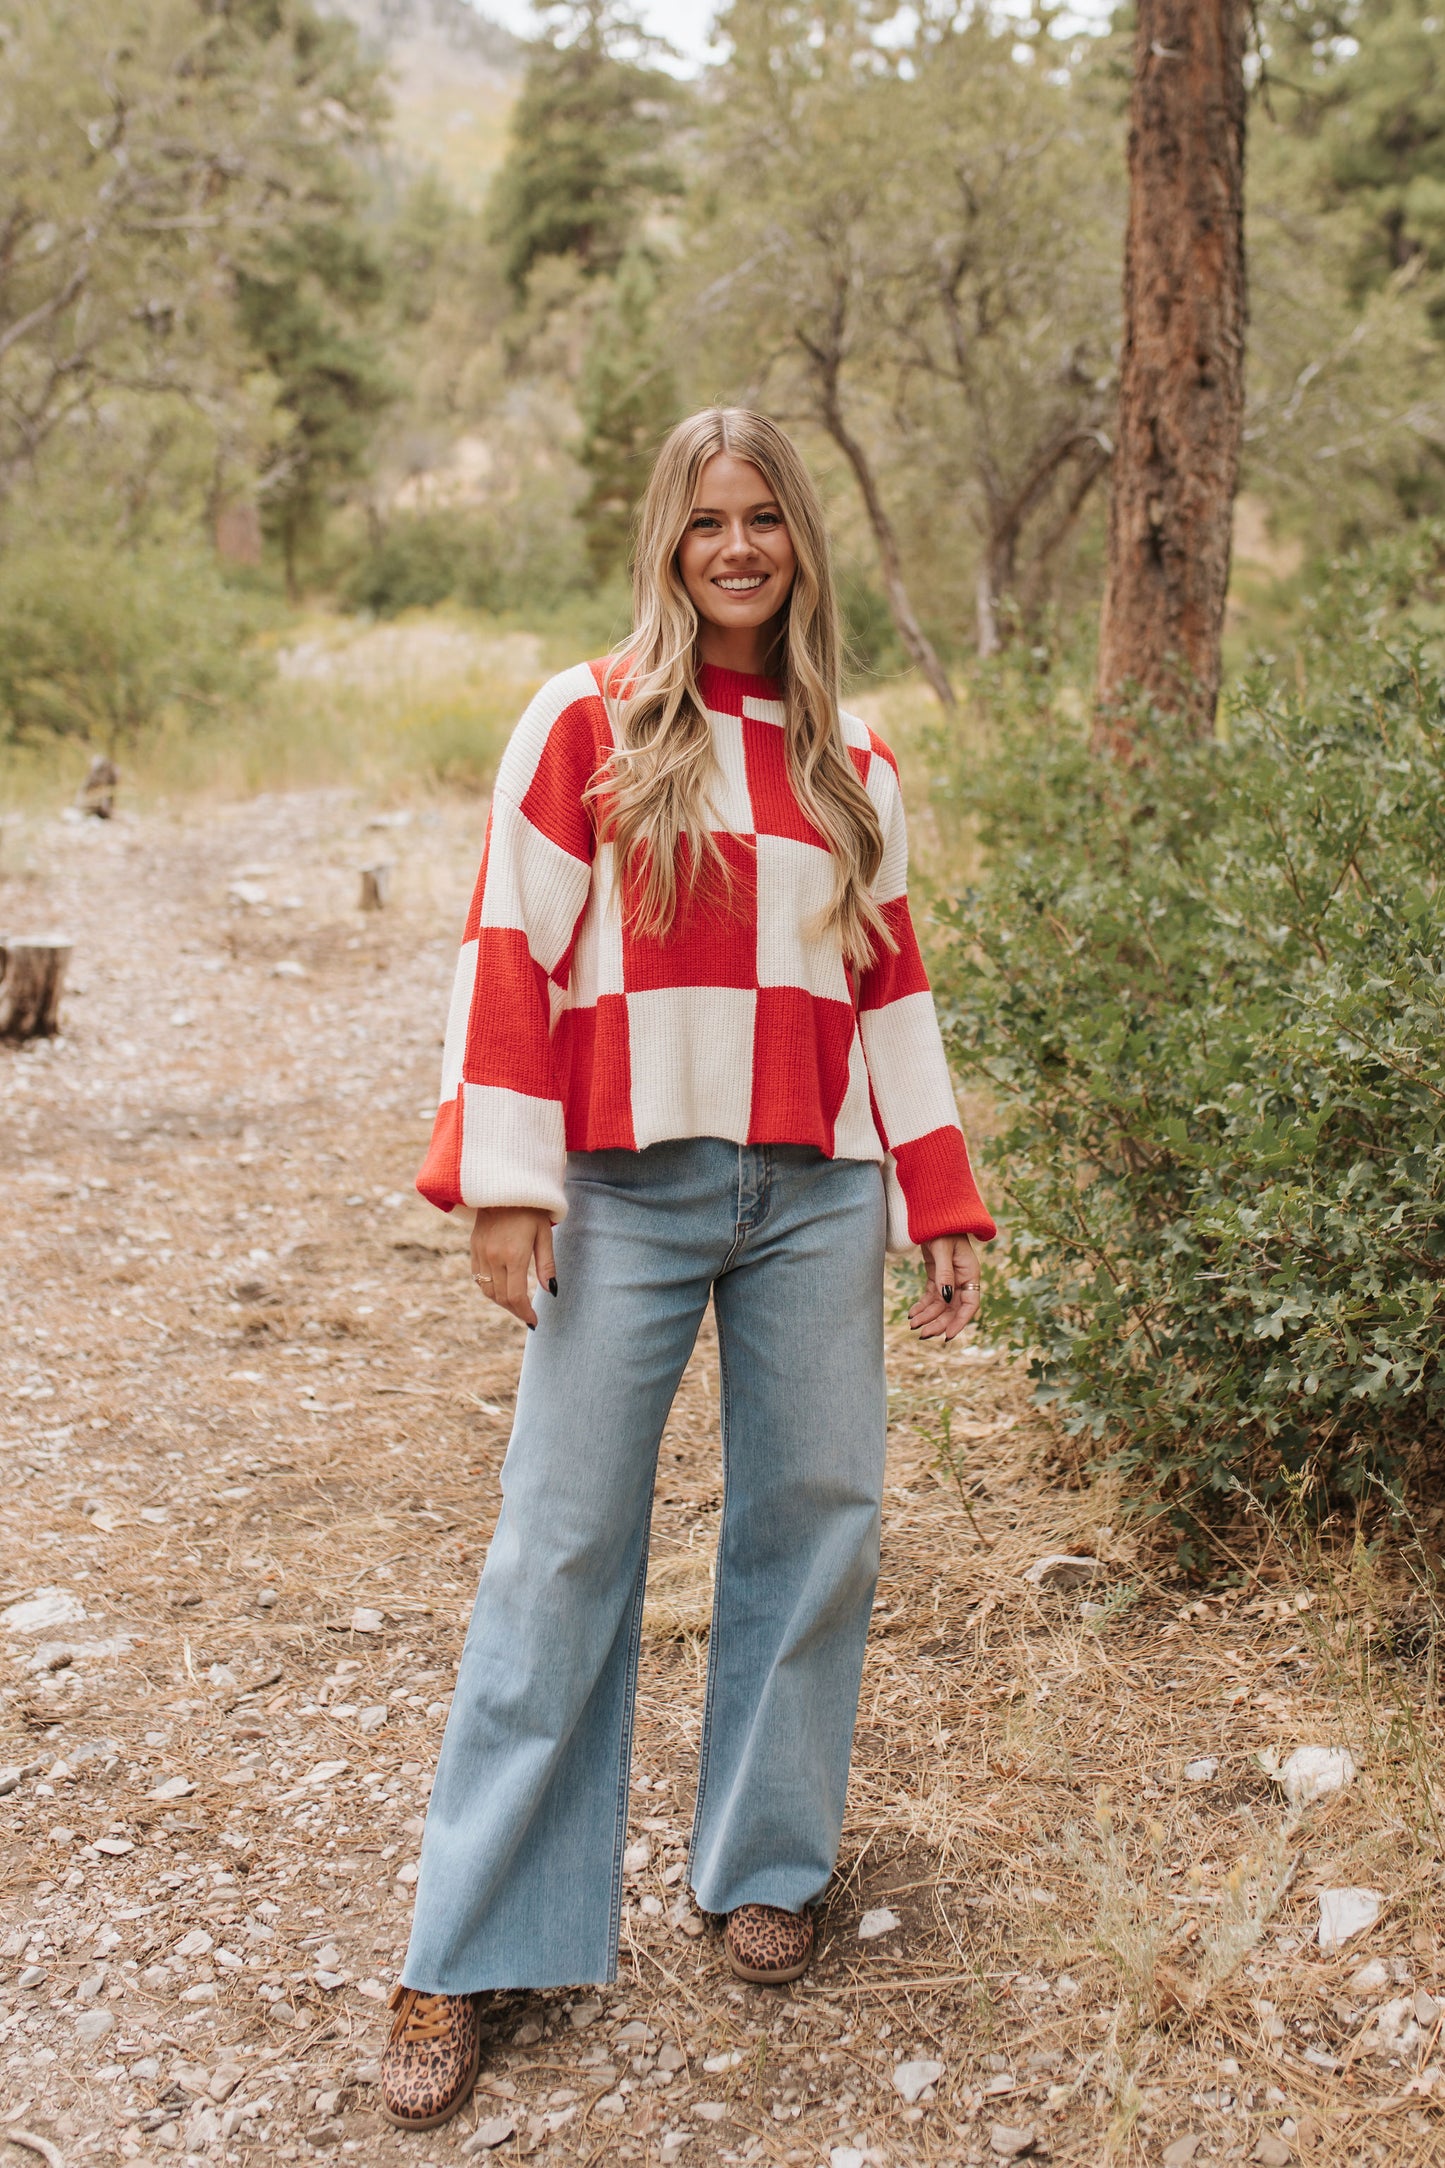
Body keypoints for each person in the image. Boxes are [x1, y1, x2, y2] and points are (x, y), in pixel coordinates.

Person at [379, 407, 995, 2131]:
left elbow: (887, 987)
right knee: (563, 1543)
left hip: (807, 1190)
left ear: (801, 543)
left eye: (765, 521)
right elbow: (510, 944)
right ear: (667, 539)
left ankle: (765, 1867)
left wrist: (933, 1191)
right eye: (706, 521)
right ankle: (467, 1947)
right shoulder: (585, 718)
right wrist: (505, 1179)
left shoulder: (847, 755)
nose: (736, 548)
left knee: (815, 1516)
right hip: (621, 1194)